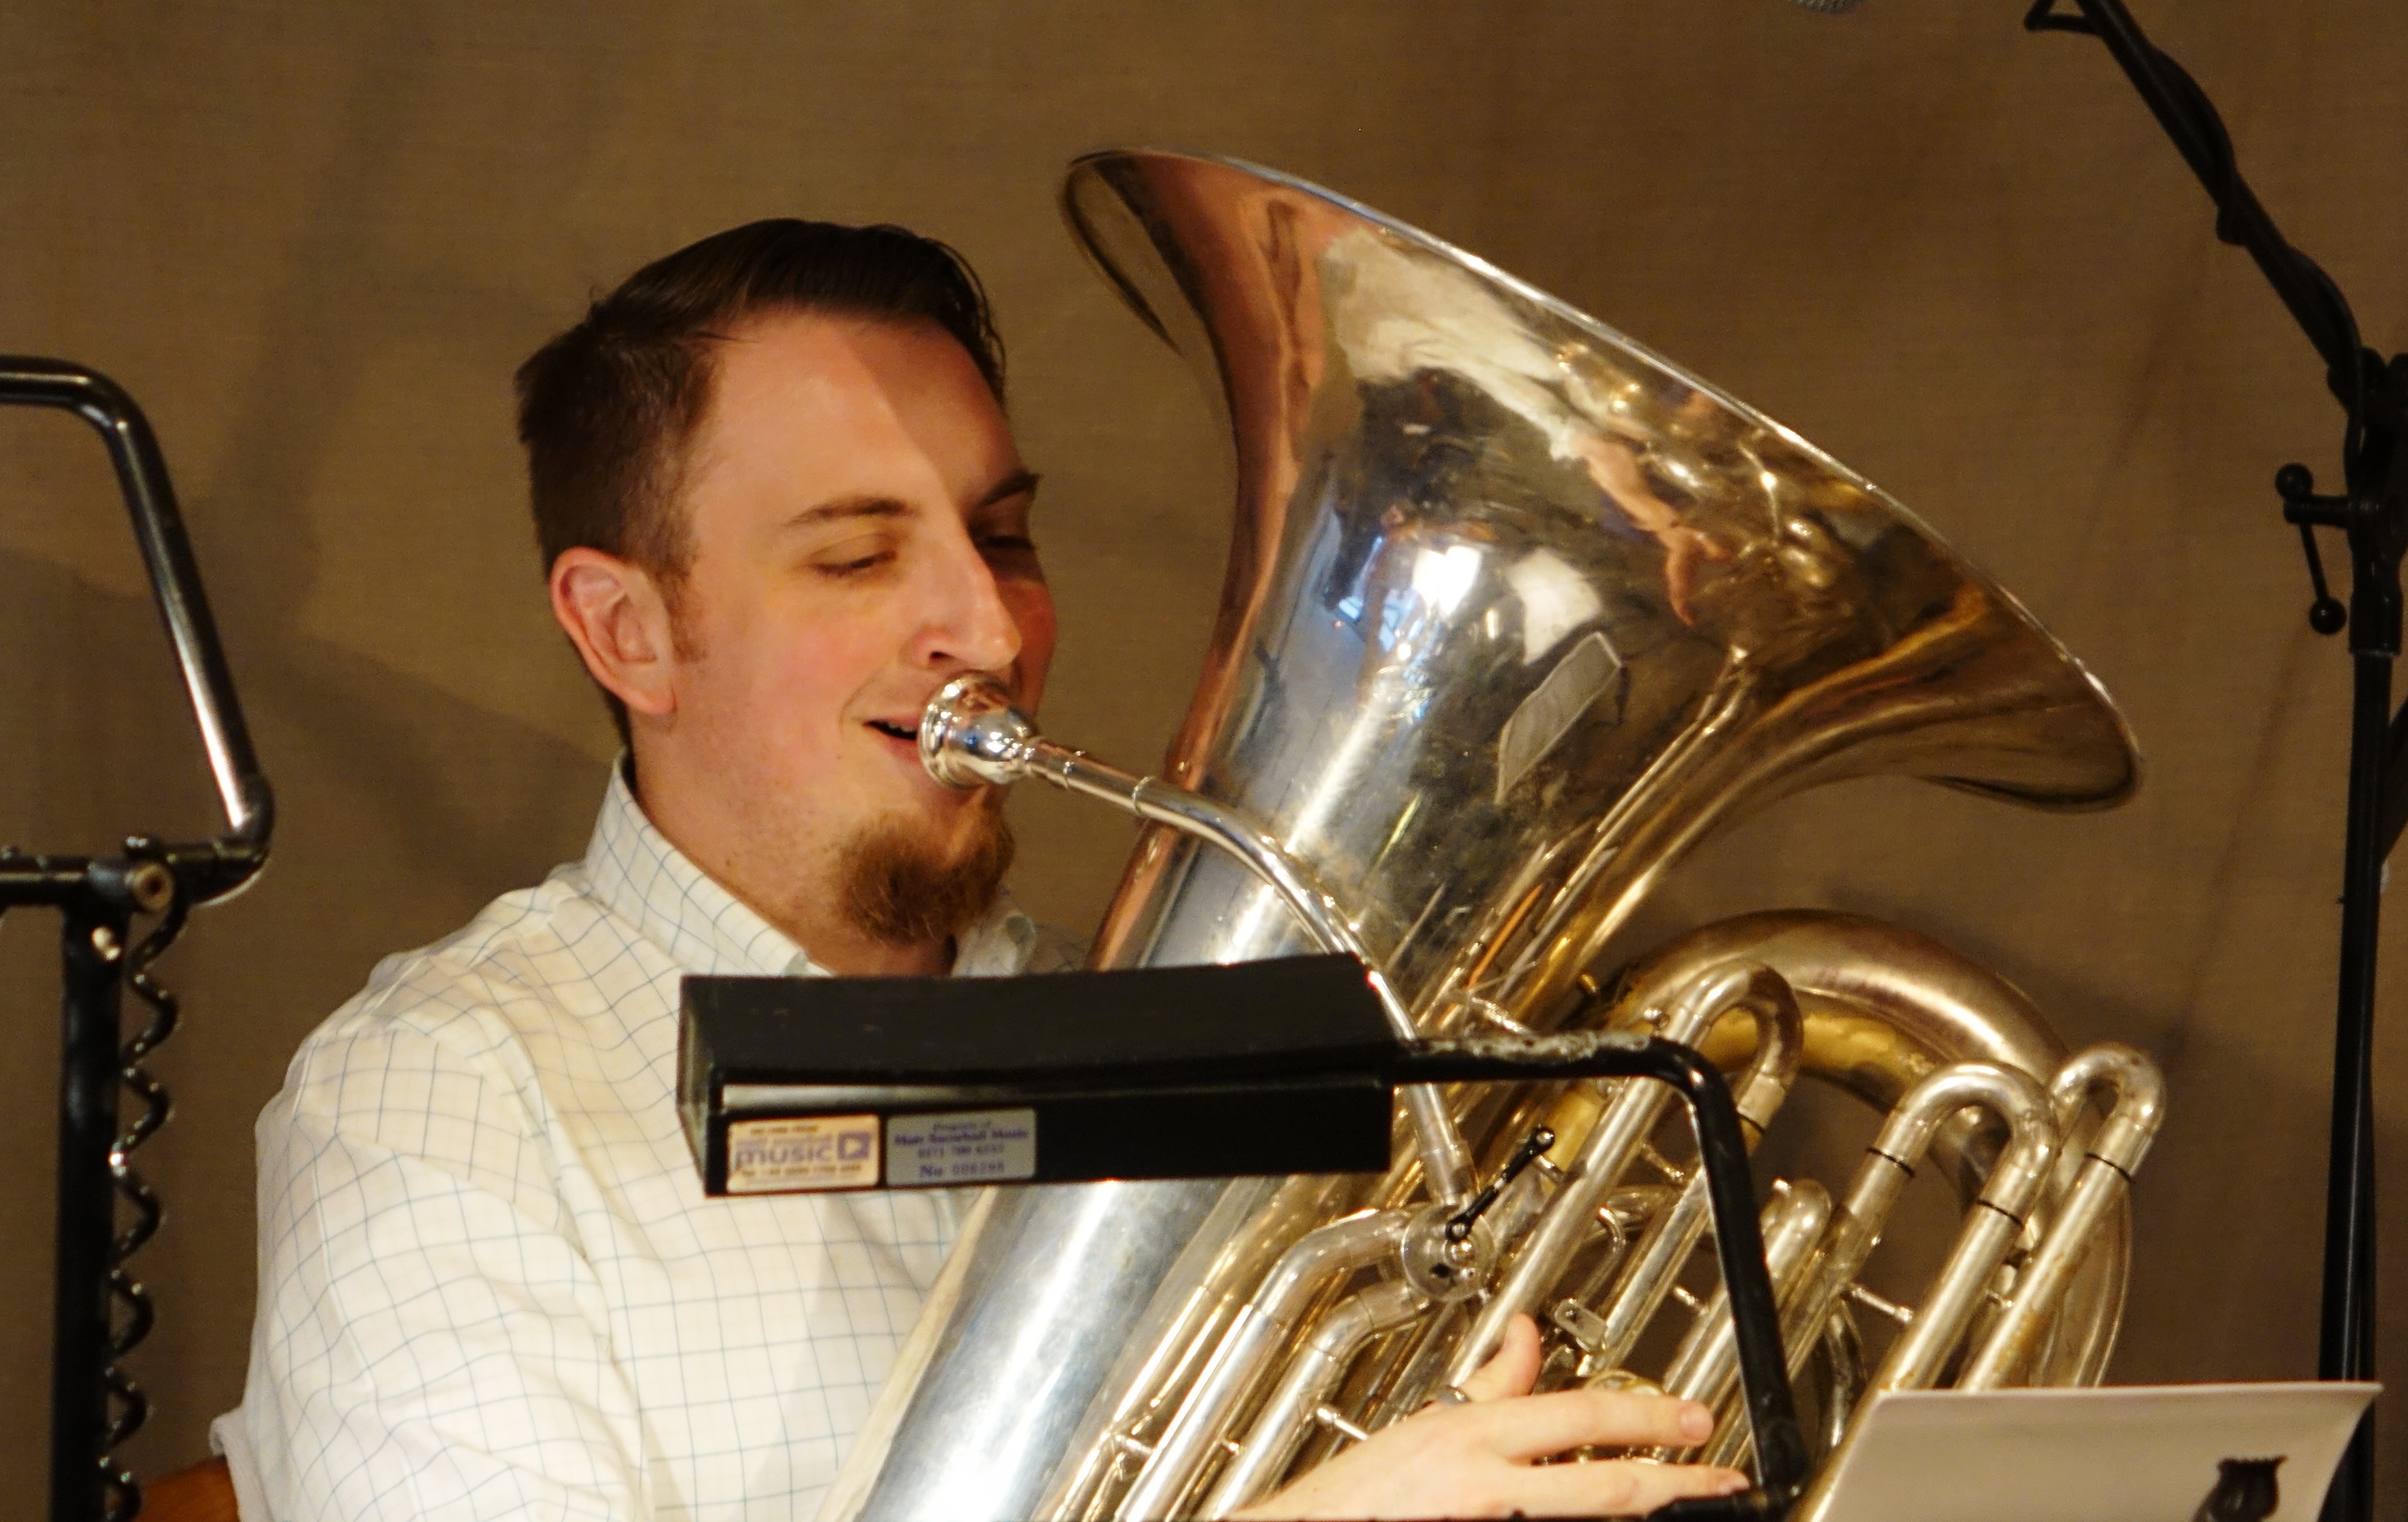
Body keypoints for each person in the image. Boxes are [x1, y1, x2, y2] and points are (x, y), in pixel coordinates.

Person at [211, 219, 1748, 1521]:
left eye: (1001, 539)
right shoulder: (443, 1099)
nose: (995, 633)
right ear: (629, 630)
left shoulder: (1179, 1045)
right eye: (857, 554)